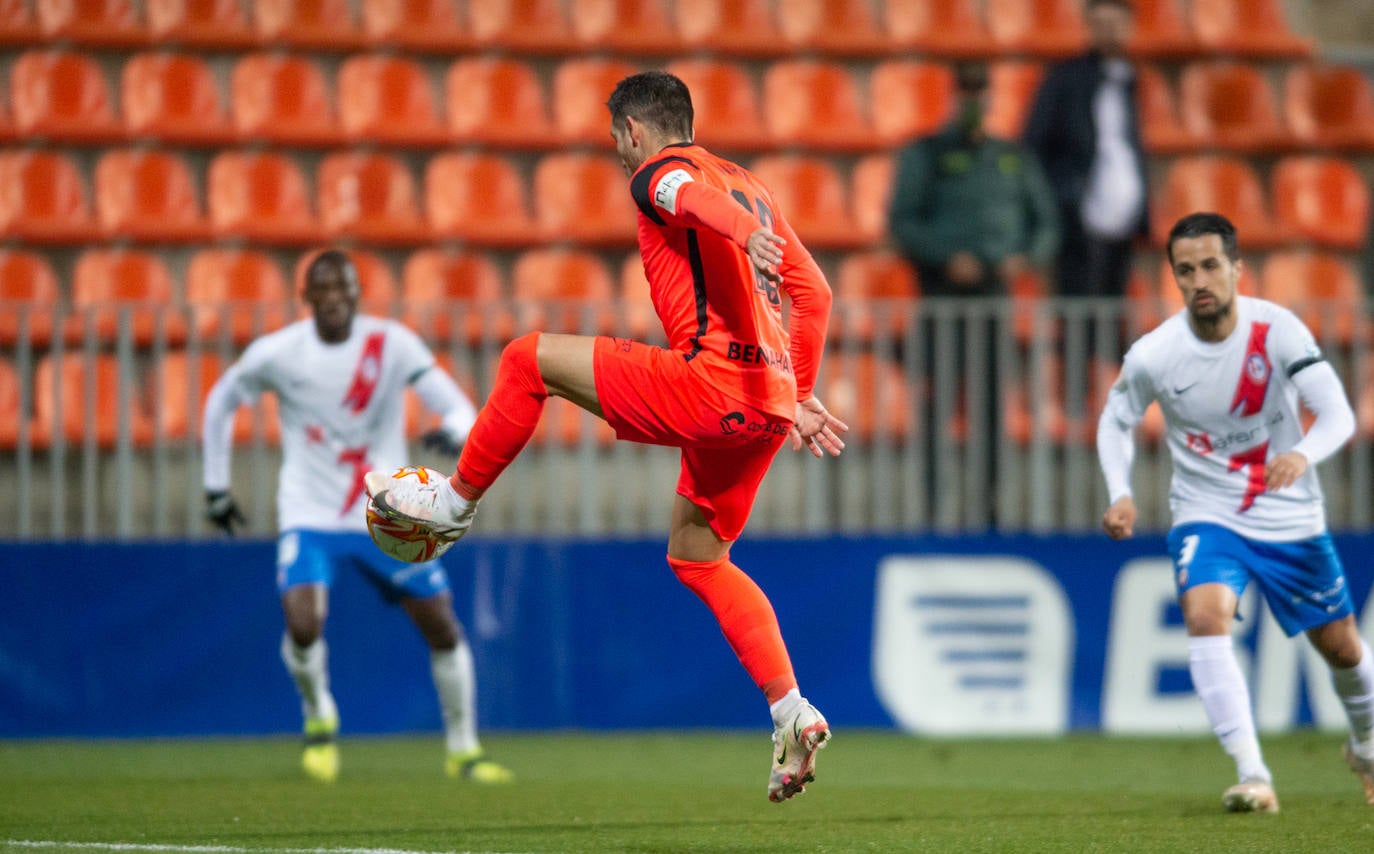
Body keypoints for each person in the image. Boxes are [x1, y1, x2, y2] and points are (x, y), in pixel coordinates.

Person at [363, 71, 847, 803]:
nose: (619, 152)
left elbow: (682, 195)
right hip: (764, 409)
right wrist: (798, 390)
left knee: (527, 360)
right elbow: (817, 294)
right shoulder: (751, 182)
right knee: (700, 556)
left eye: (616, 139)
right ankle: (791, 710)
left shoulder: (660, 171)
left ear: (632, 131)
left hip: (708, 385)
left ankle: (451, 505)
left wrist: (743, 237)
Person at [201, 249, 512, 785]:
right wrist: (215, 486)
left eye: (344, 289)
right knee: (303, 623)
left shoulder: (390, 343)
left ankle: (464, 750)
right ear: (307, 298)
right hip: (309, 510)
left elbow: (456, 403)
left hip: (385, 514)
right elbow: (222, 400)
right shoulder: (279, 353)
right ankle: (319, 714)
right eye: (324, 290)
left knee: (440, 623)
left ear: (356, 294)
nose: (335, 299)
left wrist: (459, 431)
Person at [1098, 212, 1374, 813]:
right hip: (1206, 511)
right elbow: (1115, 420)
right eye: (1185, 269)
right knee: (1205, 615)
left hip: (1288, 515)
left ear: (1237, 269)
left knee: (1345, 650)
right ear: (1174, 277)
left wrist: (1301, 454)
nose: (1200, 279)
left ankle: (1368, 745)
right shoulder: (1156, 354)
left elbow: (1338, 415)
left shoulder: (1278, 331)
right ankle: (1254, 775)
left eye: (1211, 265)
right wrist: (1119, 490)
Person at [888, 61, 1059, 528]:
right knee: (936, 414)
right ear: (950, 97)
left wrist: (1024, 257)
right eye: (964, 91)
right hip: (941, 305)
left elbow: (1045, 224)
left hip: (994, 306)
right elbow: (902, 224)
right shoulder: (923, 154)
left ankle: (990, 513)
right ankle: (930, 513)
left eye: (980, 91)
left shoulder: (1012, 156)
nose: (972, 101)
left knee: (990, 416)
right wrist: (948, 257)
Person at [1023, 0, 1148, 303]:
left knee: (1113, 305)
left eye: (1116, 24)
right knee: (1080, 307)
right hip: (1078, 215)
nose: (1110, 32)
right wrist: (1060, 195)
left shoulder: (1130, 79)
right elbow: (1034, 143)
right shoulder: (1064, 78)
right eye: (1102, 24)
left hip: (1124, 217)